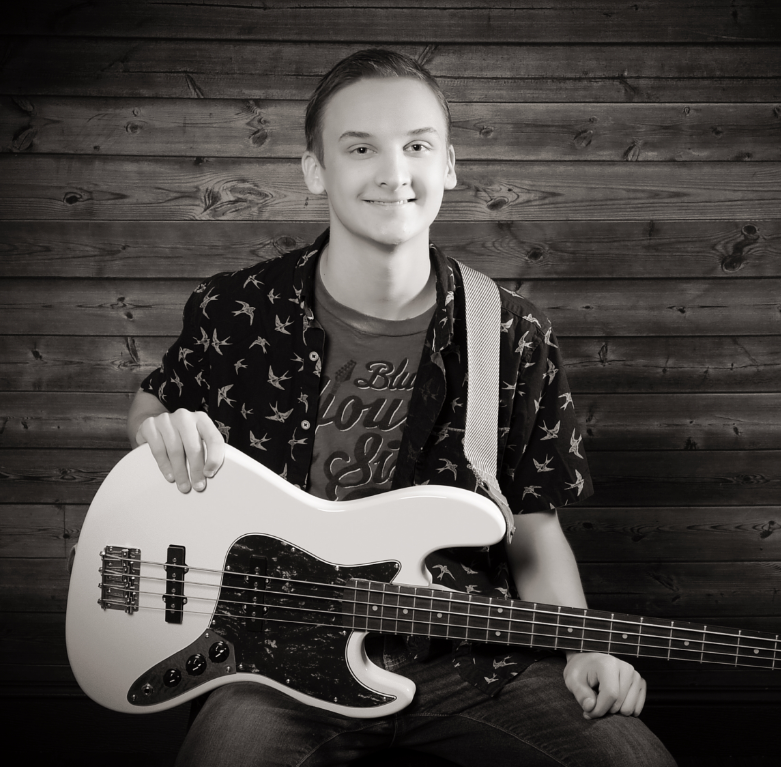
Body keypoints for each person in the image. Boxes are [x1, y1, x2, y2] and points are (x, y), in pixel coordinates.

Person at [127, 49, 676, 767]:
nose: (393, 172)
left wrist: (583, 642)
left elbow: (535, 533)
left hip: (470, 657)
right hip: (273, 659)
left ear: (447, 163)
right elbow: (154, 404)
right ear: (315, 169)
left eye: (416, 145)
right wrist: (155, 431)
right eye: (360, 148)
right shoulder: (236, 308)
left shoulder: (510, 330)